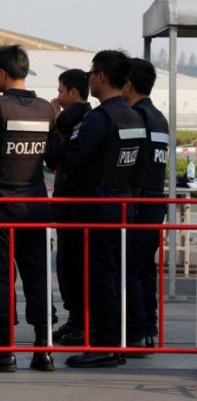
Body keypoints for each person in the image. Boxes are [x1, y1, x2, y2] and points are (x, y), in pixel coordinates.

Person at [0, 45, 56, 372]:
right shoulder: (47, 110)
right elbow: (54, 159)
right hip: (35, 206)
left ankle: (3, 351)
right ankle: (43, 350)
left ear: (1, 73)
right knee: (38, 276)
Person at [62, 50, 146, 368]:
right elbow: (138, 168)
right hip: (122, 205)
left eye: (91, 73)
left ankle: (104, 345)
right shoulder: (133, 116)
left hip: (96, 208)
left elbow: (72, 160)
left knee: (99, 277)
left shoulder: (99, 118)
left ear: (100, 76)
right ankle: (117, 341)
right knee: (115, 276)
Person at [121, 58, 169, 352]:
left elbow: (131, 164)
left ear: (127, 84)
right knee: (144, 270)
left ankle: (136, 332)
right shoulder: (159, 116)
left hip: (138, 204)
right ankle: (149, 326)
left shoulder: (136, 117)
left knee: (130, 269)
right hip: (154, 203)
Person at [44, 69, 92, 346]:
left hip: (76, 203)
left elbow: (54, 158)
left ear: (74, 92)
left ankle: (82, 323)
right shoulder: (85, 118)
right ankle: (75, 319)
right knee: (68, 265)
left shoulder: (76, 119)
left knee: (75, 266)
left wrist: (54, 126)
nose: (58, 97)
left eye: (61, 91)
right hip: (70, 203)